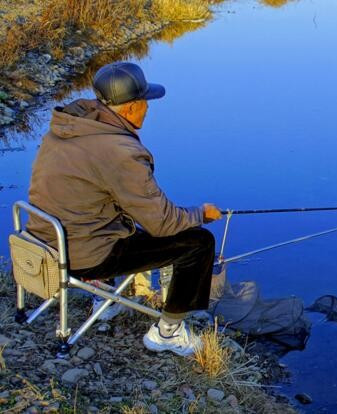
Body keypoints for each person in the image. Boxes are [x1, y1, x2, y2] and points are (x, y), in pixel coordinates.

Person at [26, 61, 222, 356]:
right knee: (197, 243)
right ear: (132, 107)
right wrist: (200, 214)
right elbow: (163, 224)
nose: (148, 107)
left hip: (43, 239)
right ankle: (167, 333)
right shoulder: (121, 152)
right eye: (145, 102)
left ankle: (104, 296)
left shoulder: (69, 127)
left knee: (117, 214)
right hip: (82, 255)